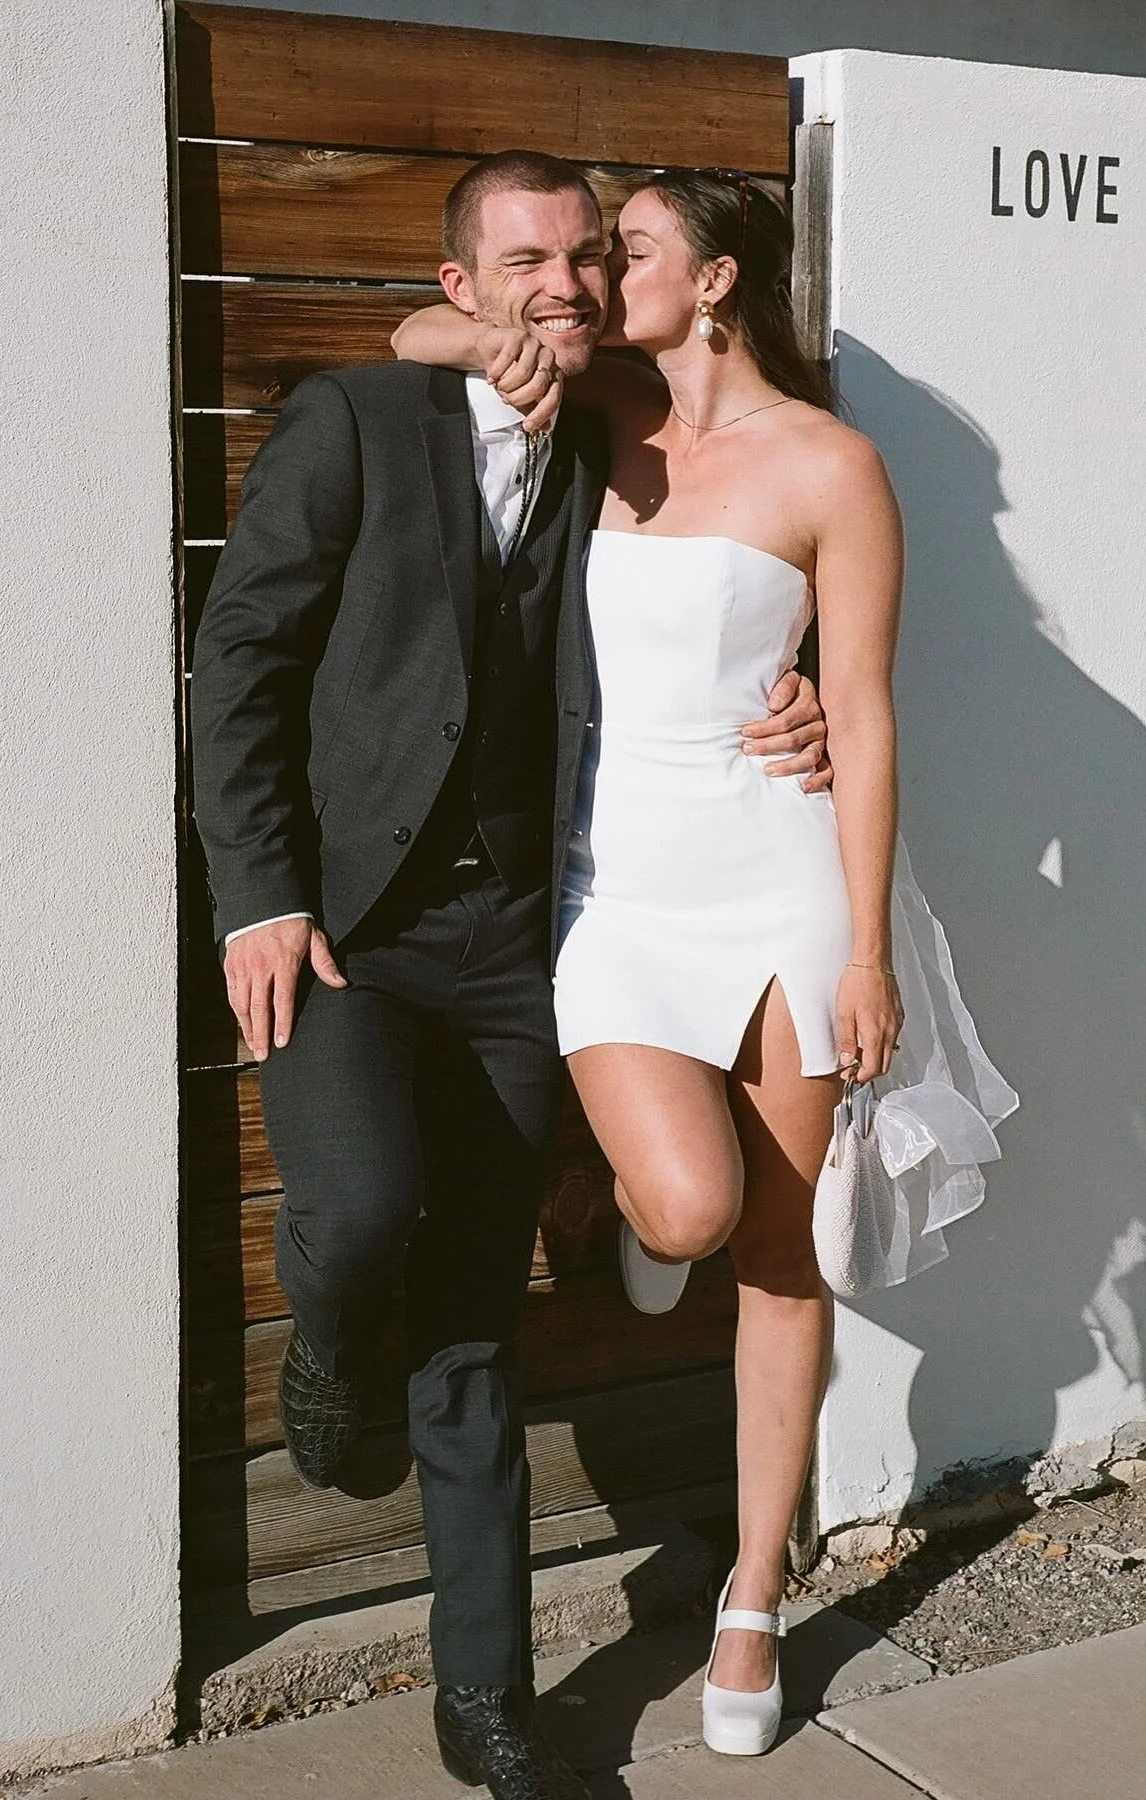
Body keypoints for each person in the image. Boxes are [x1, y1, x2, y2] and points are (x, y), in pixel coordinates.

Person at [189, 151, 830, 1800]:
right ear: (464, 288)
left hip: (517, 945)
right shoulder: (354, 424)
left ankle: (491, 1705)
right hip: (343, 933)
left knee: (474, 1329)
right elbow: (240, 661)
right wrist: (255, 897)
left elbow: (724, 584)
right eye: (524, 261)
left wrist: (802, 696)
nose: (562, 284)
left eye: (583, 259)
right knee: (351, 1212)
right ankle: (327, 1351)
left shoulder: (616, 435)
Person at [392, 169, 1015, 1760]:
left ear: (718, 280)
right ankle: (629, 1204)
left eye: (632, 251)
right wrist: (497, 348)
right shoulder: (596, 410)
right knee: (690, 1202)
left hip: (781, 888)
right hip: (616, 891)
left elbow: (862, 713)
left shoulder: (831, 463)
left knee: (781, 1256)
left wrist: (868, 949)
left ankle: (751, 1594)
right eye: (590, 254)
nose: (600, 276)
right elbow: (412, 338)